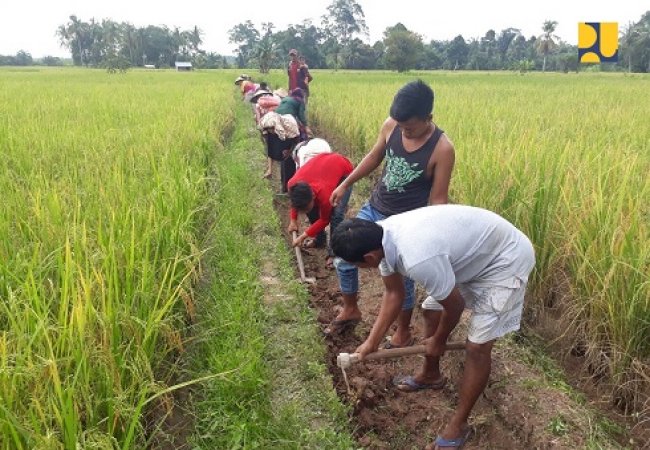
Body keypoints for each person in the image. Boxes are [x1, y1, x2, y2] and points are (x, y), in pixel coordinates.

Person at [331, 205, 535, 450]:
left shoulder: (418, 257)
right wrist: (372, 342)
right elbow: (394, 293)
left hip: (504, 260)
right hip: (474, 254)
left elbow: (455, 305)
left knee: (478, 347)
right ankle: (431, 374)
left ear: (369, 259)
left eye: (358, 266)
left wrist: (439, 339)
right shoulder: (380, 239)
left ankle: (458, 425)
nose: (361, 270)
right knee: (430, 308)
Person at [327, 80, 455, 340]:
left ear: (428, 117)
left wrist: (433, 237)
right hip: (374, 208)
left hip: (405, 223)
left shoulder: (442, 149)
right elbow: (374, 157)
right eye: (401, 126)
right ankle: (351, 308)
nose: (404, 132)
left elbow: (439, 200)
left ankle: (403, 330)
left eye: (410, 128)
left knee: (402, 281)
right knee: (344, 256)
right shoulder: (391, 125)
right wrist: (345, 183)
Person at [287, 151, 353, 268]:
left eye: (306, 207)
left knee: (336, 215)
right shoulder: (292, 185)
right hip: (323, 167)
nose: (305, 212)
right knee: (312, 210)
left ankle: (334, 253)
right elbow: (295, 201)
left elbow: (324, 220)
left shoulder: (325, 195)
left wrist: (303, 236)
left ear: (313, 196)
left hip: (344, 174)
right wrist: (293, 220)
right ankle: (320, 239)